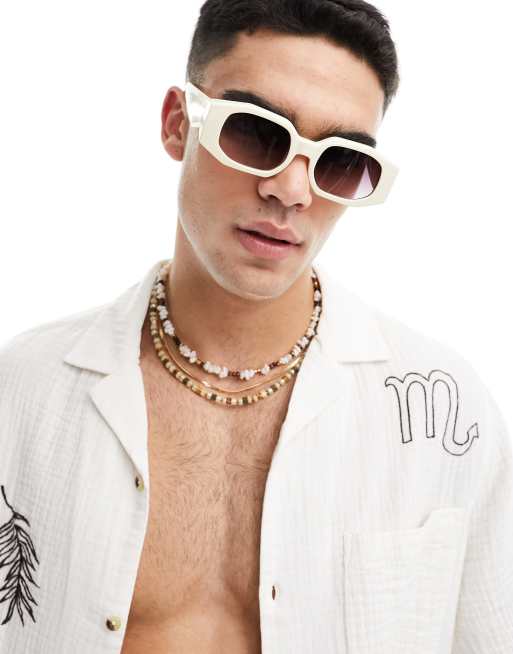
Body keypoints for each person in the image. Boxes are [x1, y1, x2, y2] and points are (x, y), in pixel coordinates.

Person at [0, 1, 512, 652]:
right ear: (178, 125)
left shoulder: (445, 413)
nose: (292, 190)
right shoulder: (22, 394)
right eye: (256, 132)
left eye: (339, 161)